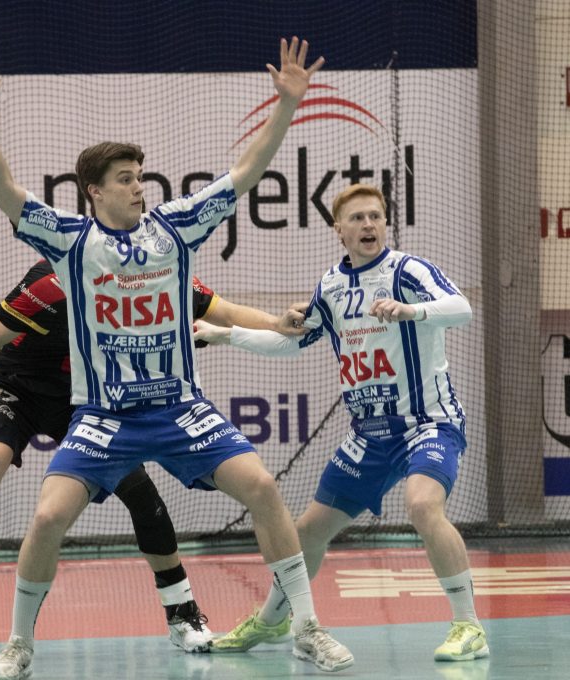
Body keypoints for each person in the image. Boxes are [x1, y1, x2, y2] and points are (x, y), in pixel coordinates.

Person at [0, 37, 354, 680]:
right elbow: (2, 189)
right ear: (94, 191)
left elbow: (245, 174)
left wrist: (286, 106)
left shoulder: (175, 228)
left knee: (262, 487)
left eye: (141, 176)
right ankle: (19, 644)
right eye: (125, 179)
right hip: (104, 415)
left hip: (178, 407)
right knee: (49, 515)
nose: (139, 187)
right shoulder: (71, 242)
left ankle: (307, 627)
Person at [0, 261, 296, 654]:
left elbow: (224, 312)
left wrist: (277, 323)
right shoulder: (52, 281)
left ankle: (182, 612)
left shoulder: (156, 272)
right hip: (17, 385)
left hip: (85, 396)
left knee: (138, 488)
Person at [195, 183, 489, 663]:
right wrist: (226, 335)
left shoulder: (408, 271)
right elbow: (292, 341)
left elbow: (462, 308)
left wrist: (411, 310)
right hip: (368, 435)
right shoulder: (331, 286)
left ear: (385, 224)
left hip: (426, 424)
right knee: (308, 532)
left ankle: (469, 625)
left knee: (422, 505)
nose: (369, 224)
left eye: (376, 216)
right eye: (357, 218)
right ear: (339, 230)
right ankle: (273, 619)